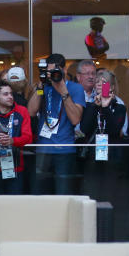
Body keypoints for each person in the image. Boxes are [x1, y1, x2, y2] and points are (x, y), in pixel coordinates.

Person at [27, 53, 85, 195]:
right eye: (49, 71)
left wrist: (63, 91)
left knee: (63, 194)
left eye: (55, 71)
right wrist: (41, 84)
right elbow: (31, 112)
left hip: (64, 151)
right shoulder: (43, 88)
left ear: (64, 70)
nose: (53, 74)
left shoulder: (76, 89)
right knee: (40, 194)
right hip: (43, 149)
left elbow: (75, 119)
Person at [79, 71, 129, 221]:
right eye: (97, 83)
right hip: (93, 157)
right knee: (91, 194)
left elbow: (115, 130)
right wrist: (96, 106)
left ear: (112, 87)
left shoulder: (119, 107)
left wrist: (106, 107)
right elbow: (84, 128)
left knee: (109, 195)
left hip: (112, 157)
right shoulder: (90, 105)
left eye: (104, 83)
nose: (100, 86)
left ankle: (108, 228)